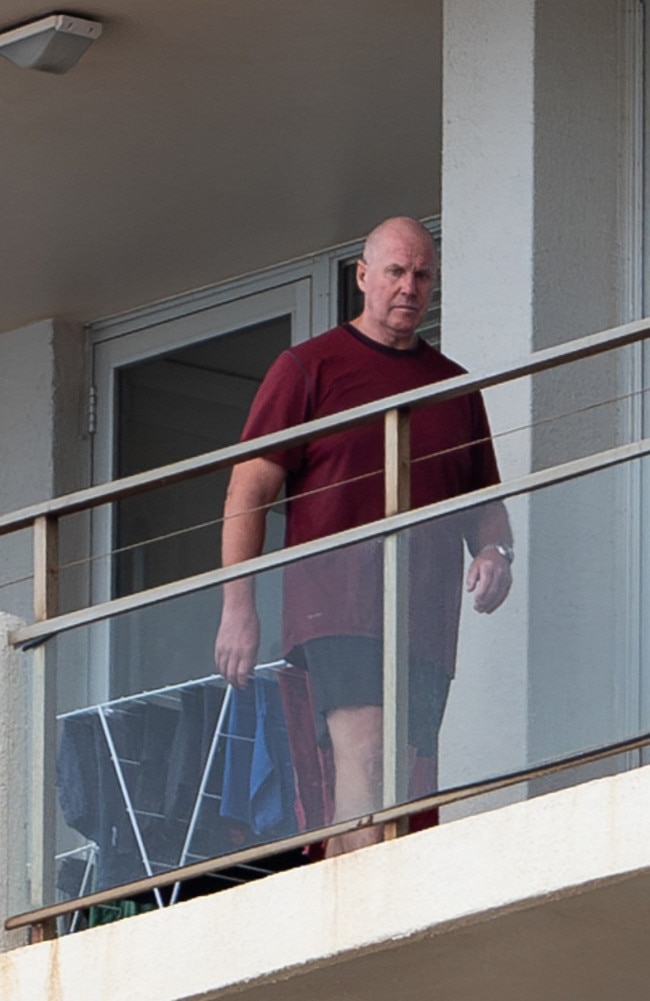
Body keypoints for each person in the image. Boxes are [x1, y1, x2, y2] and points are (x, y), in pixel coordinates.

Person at [214, 216, 512, 857]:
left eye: (422, 274)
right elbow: (249, 491)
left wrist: (495, 552)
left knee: (406, 771)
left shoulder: (454, 388)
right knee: (367, 756)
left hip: (425, 610)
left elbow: (485, 504)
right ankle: (360, 905)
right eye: (396, 272)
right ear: (363, 277)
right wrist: (238, 606)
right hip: (337, 602)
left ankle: (382, 895)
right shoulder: (308, 367)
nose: (409, 287)